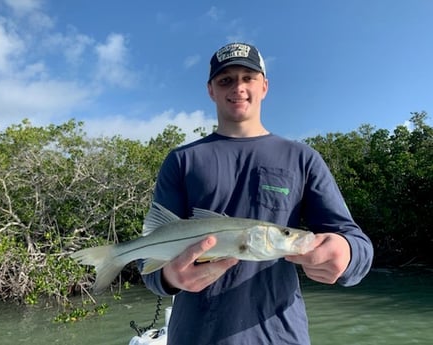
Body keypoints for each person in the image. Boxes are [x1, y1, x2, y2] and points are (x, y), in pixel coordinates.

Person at [141, 42, 373, 345]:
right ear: (210, 90)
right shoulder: (182, 160)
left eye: (248, 78)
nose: (238, 87)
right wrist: (170, 277)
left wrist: (345, 253)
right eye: (226, 80)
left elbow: (357, 245)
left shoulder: (302, 158)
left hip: (281, 337)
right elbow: (149, 262)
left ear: (264, 86)